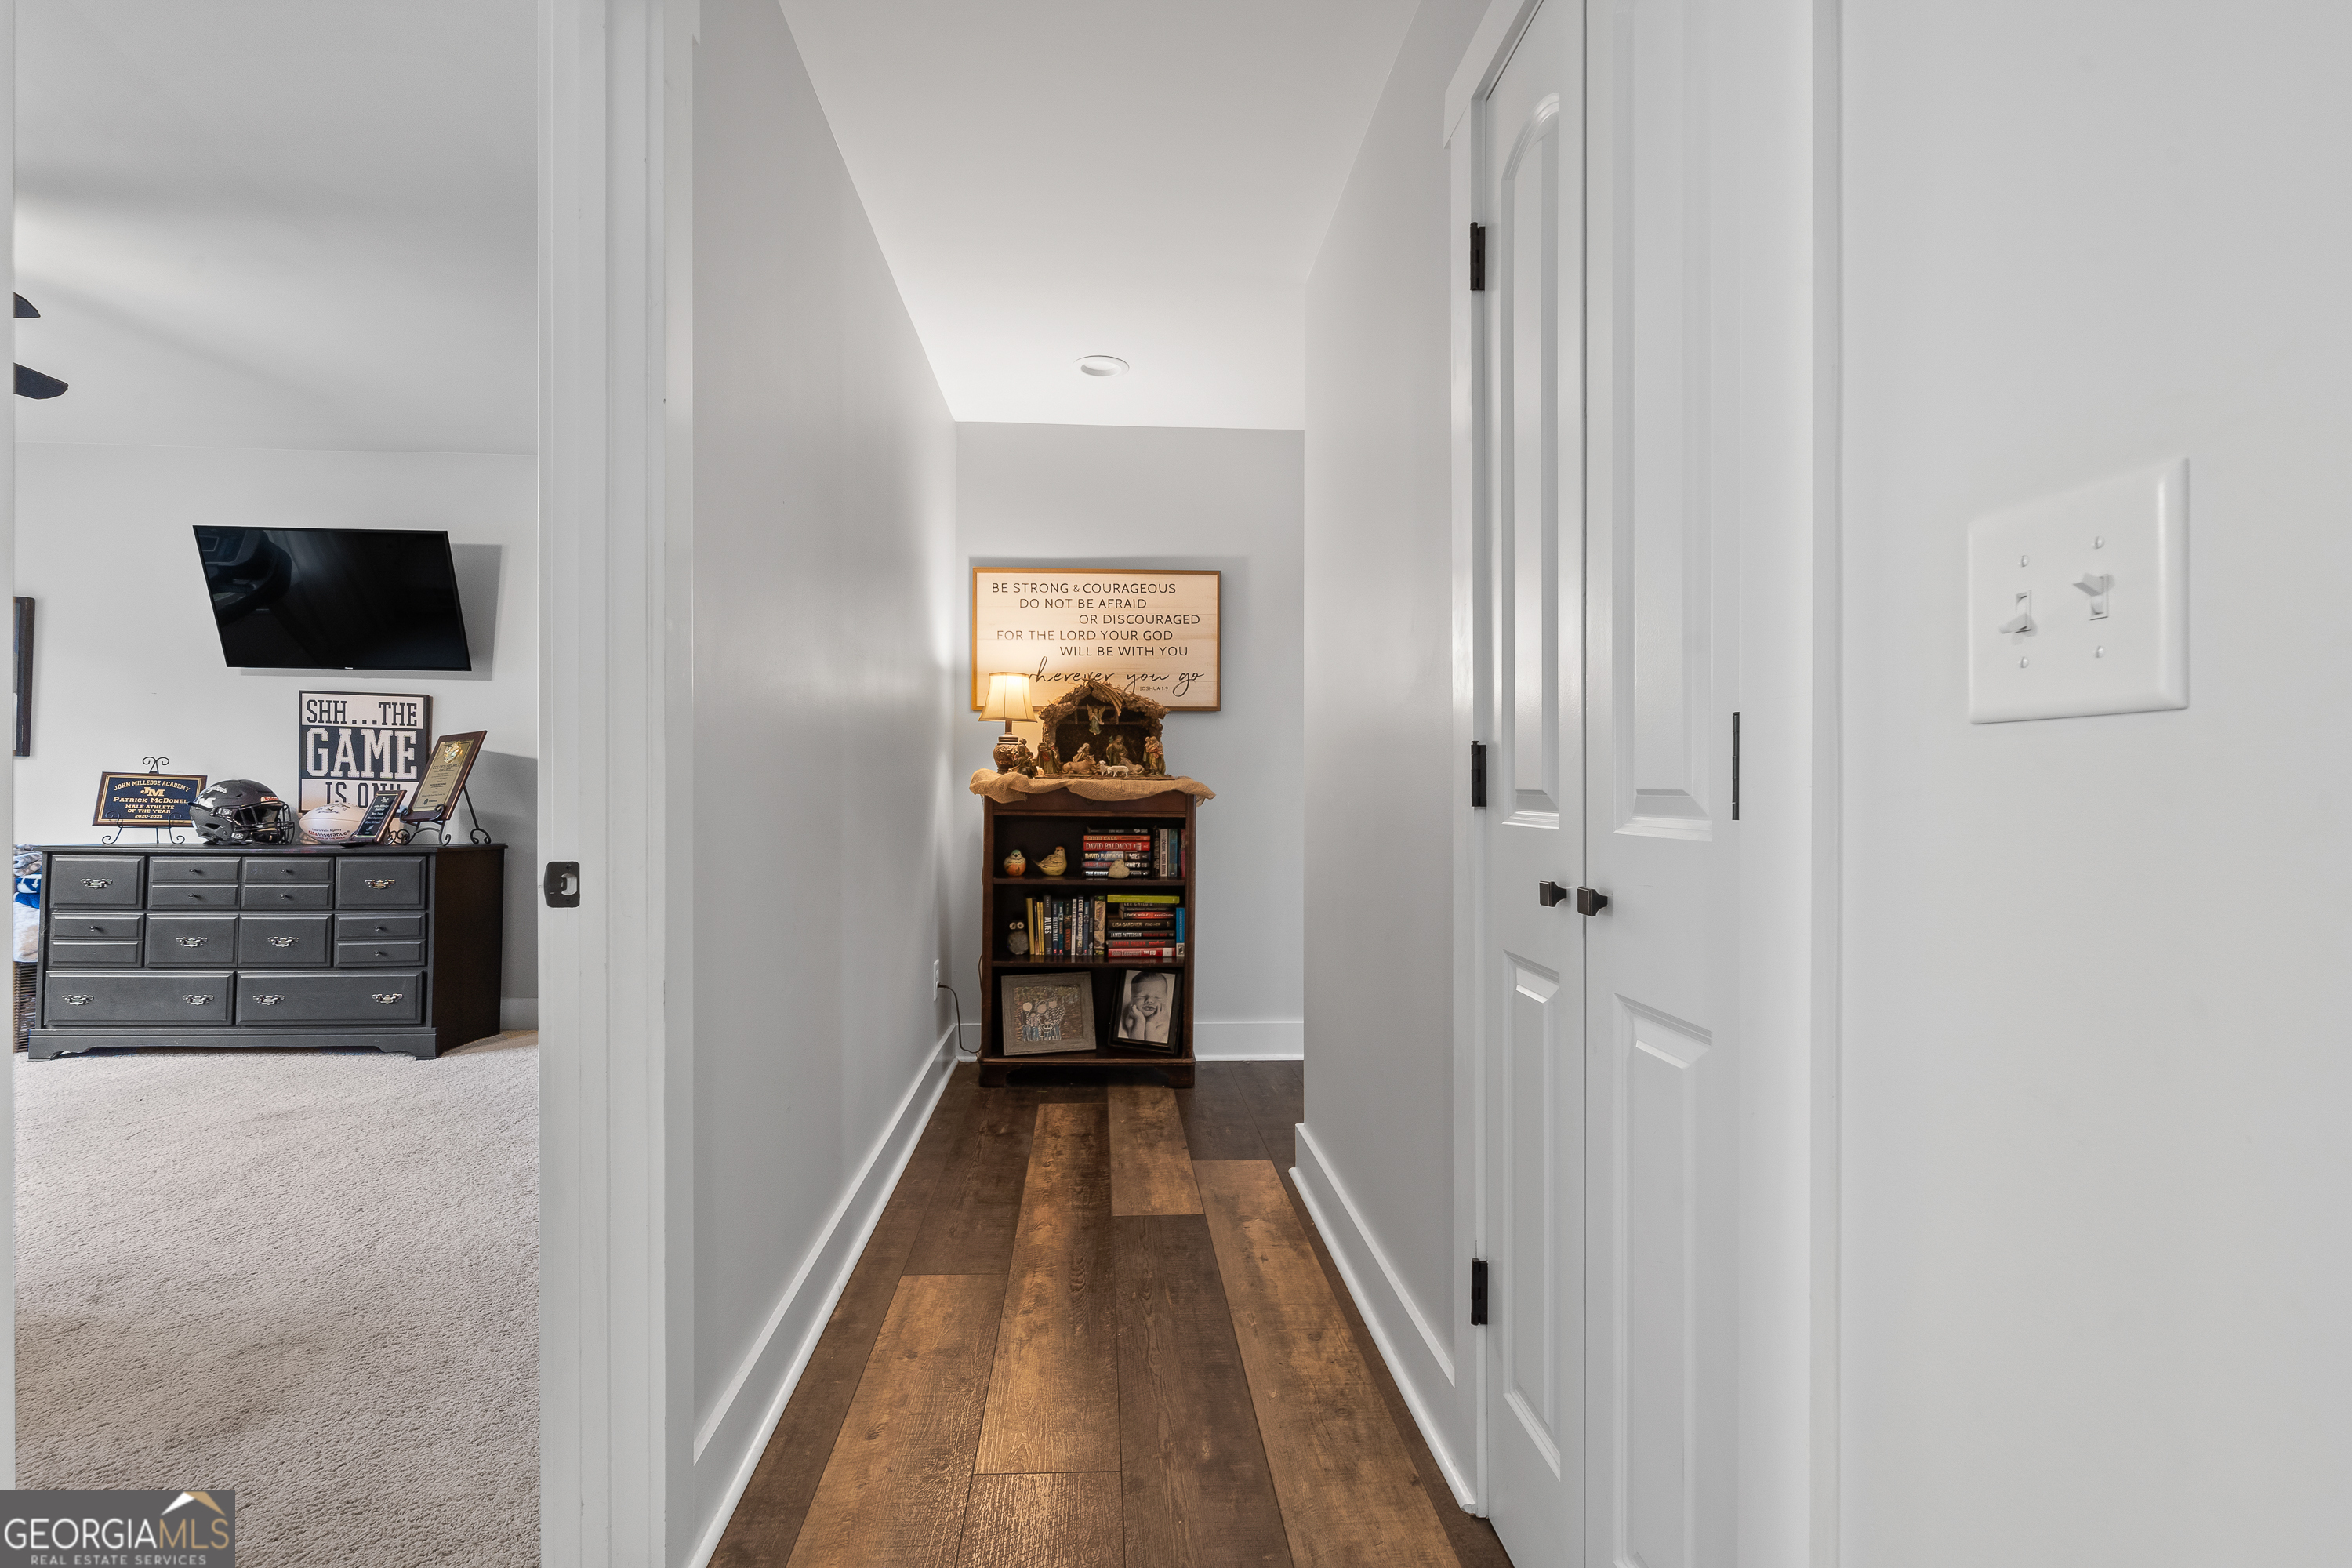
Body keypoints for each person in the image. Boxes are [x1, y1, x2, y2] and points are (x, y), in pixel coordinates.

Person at [1120, 970, 1173, 1044]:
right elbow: (1137, 1040)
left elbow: (1151, 1041)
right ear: (1132, 999)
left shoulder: (1163, 1020)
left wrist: (1151, 1023)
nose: (1149, 1000)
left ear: (1166, 999)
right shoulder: (1132, 1016)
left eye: (1157, 997)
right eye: (1142, 996)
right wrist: (1139, 1019)